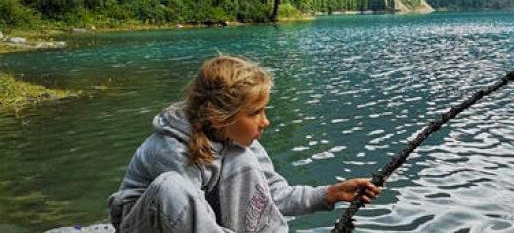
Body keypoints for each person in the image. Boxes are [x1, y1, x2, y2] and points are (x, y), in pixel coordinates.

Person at [108, 55, 380, 232]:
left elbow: (272, 196)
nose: (265, 122)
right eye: (255, 113)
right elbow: (185, 212)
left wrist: (329, 194)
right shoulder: (171, 148)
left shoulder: (238, 141)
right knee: (171, 186)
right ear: (220, 117)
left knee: (243, 158)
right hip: (145, 224)